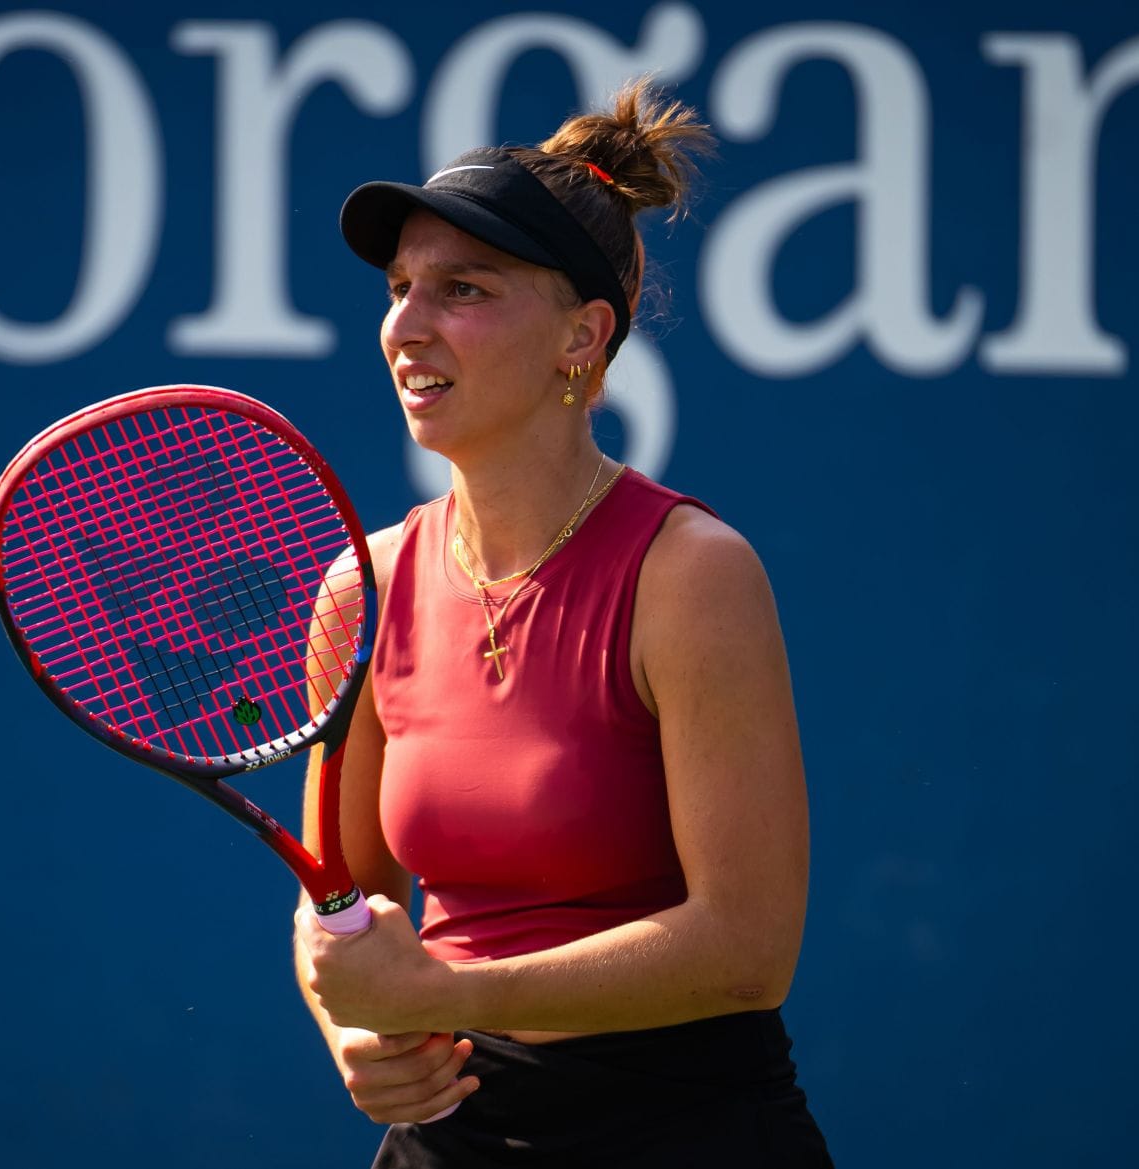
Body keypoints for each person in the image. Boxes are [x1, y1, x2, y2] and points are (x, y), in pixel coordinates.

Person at [293, 81, 832, 1168]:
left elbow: (747, 950)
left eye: (463, 288)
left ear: (582, 336)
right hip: (452, 1131)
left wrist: (445, 991)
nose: (406, 325)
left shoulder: (692, 575)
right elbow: (340, 908)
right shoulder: (364, 589)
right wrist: (358, 1036)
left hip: (691, 1132)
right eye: (399, 288)